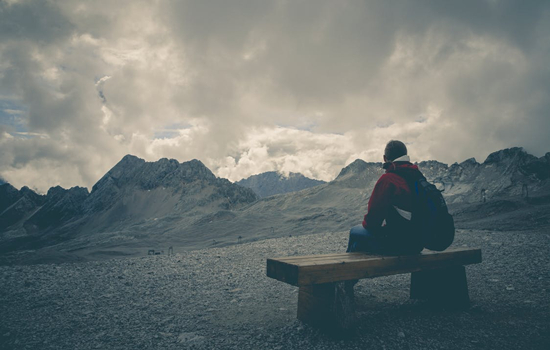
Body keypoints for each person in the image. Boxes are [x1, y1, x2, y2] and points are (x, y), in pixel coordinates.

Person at [346, 140, 424, 255]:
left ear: (384, 158)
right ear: (406, 156)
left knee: (355, 232)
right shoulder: (417, 176)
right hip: (419, 243)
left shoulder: (388, 179)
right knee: (358, 244)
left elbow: (372, 221)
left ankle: (349, 269)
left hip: (399, 243)